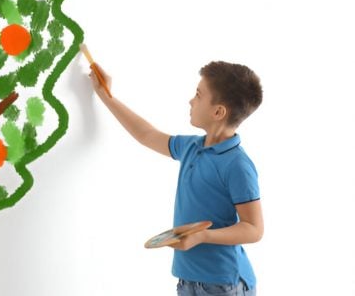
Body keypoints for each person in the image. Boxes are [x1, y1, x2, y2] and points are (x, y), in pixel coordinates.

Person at [89, 61, 264, 296]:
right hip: (188, 279)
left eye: (198, 95)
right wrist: (107, 96)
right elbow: (146, 134)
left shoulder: (238, 165)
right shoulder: (191, 147)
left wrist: (203, 236)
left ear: (218, 112)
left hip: (223, 285)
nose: (191, 101)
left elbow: (253, 228)